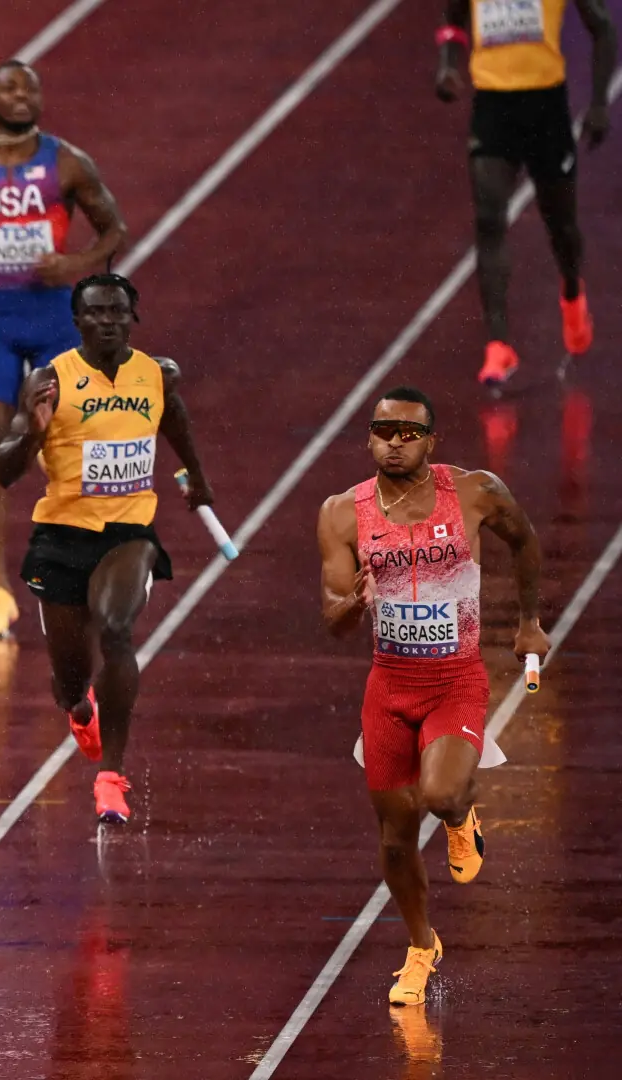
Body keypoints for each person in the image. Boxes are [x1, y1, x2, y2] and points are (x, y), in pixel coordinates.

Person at [316, 386, 549, 1006]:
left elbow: (524, 541)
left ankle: (459, 815)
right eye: (384, 430)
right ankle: (422, 948)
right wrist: (352, 605)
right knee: (394, 838)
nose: (395, 441)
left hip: (455, 680)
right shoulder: (343, 513)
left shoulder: (474, 492)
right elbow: (333, 619)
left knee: (442, 791)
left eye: (409, 432)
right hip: (389, 687)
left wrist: (528, 623)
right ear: (367, 437)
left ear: (430, 440)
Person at [0, 274, 215, 825]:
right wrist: (34, 436)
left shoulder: (155, 375)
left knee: (116, 629)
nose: (108, 320)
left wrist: (196, 477)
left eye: (117, 311)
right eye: (95, 312)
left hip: (128, 534)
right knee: (70, 675)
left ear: (132, 315)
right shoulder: (52, 382)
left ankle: (110, 778)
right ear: (77, 321)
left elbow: (175, 417)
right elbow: (1, 470)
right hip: (62, 537)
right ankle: (78, 707)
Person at [0, 60, 128, 639]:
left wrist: (76, 264)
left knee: (74, 441)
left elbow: (114, 231)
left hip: (55, 320)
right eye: (10, 87)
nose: (22, 94)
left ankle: (84, 566)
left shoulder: (66, 163)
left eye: (31, 86)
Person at [434, 0, 614, 386]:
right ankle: (498, 344)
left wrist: (599, 104)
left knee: (562, 228)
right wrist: (448, 67)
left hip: (546, 107)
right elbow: (453, 23)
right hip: (493, 107)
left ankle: (571, 292)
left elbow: (603, 28)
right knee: (488, 220)